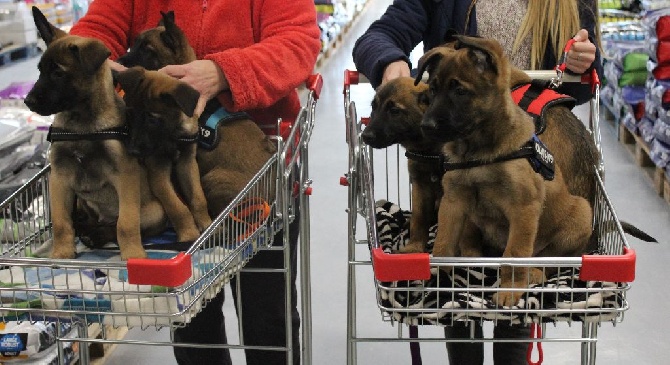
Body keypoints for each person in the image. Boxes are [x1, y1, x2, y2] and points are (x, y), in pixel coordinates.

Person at [69, 2, 321, 365]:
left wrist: (223, 71)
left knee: (268, 315)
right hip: (170, 167)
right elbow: (99, 26)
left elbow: (297, 43)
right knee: (190, 319)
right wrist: (90, 62)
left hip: (256, 170)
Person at [352, 1, 601, 364]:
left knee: (513, 310)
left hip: (526, 142)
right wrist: (393, 64)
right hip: (458, 143)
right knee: (457, 299)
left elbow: (580, 87)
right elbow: (377, 37)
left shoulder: (567, 5)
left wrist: (582, 61)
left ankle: (512, 339)